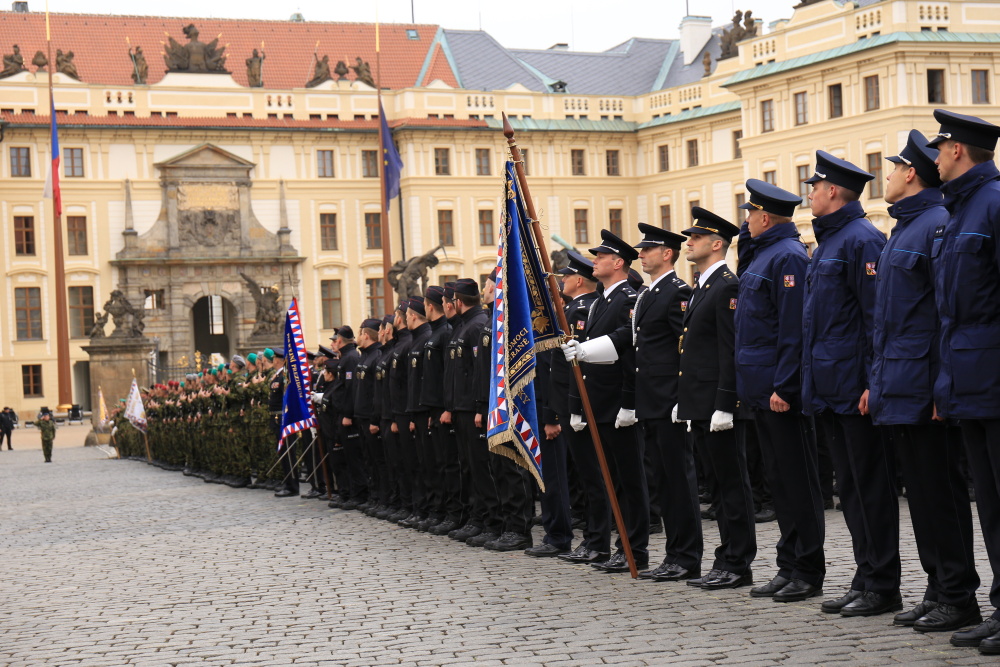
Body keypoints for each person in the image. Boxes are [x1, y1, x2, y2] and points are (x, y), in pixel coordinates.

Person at [867, 129, 981, 633]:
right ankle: (938, 587)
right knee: (923, 495)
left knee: (942, 494)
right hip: (901, 381)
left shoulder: (935, 223)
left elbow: (941, 315)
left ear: (910, 173)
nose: (887, 177)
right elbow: (888, 321)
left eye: (892, 168)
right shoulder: (905, 229)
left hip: (926, 385)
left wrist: (941, 387)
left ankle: (958, 594)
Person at [801, 150, 900, 617]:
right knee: (852, 489)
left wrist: (869, 382)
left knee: (870, 487)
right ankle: (865, 576)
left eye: (814, 187)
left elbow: (875, 319)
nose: (810, 193)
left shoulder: (860, 240)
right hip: (832, 386)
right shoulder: (831, 242)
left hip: (854, 388)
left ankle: (882, 583)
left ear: (834, 192)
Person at [926, 110, 1000, 653]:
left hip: (994, 375)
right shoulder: (961, 211)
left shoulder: (993, 204)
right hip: (970, 377)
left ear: (956, 150)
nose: (933, 159)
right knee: (991, 503)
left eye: (940, 148)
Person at [735, 180, 826, 602]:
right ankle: (788, 564)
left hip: (778, 389)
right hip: (760, 388)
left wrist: (785, 385)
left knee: (797, 483)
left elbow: (794, 329)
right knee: (779, 483)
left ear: (765, 217)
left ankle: (807, 569)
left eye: (749, 215)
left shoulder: (788, 255)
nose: (745, 222)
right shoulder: (764, 253)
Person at [676, 207, 757, 591]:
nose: (687, 243)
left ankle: (737, 563)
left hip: (718, 405)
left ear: (716, 243)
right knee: (718, 489)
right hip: (702, 403)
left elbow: (729, 349)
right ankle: (726, 558)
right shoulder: (704, 285)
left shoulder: (725, 284)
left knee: (731, 486)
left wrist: (726, 403)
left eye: (694, 238)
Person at [561, 229, 649, 573]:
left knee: (630, 483)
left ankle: (634, 550)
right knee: (612, 481)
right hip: (599, 404)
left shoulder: (627, 298)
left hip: (617, 405)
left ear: (618, 263)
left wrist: (629, 403)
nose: (594, 261)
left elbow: (628, 352)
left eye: (600, 257)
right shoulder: (602, 300)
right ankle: (619, 547)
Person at [627, 224, 702, 582]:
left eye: (647, 249)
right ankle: (674, 552)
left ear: (667, 254)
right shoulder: (649, 293)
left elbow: (683, 349)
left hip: (668, 401)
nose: (640, 254)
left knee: (679, 481)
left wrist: (679, 398)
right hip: (650, 401)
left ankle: (687, 556)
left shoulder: (676, 292)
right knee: (664, 483)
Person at [447, 279, 493, 543]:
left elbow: (480, 373)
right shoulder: (466, 326)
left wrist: (479, 406)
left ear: (458, 301)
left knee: (480, 468)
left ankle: (487, 520)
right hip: (462, 407)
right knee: (469, 468)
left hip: (472, 407)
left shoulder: (475, 326)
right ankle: (477, 518)